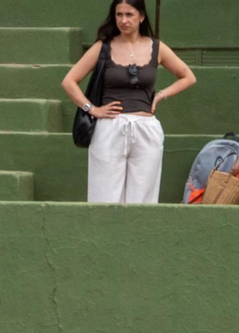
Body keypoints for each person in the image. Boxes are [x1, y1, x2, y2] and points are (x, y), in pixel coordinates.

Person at [61, 0, 196, 204]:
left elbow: (187, 76)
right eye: (119, 15)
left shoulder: (156, 47)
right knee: (104, 196)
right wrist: (92, 109)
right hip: (109, 127)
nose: (123, 20)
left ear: (141, 16)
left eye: (129, 14)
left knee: (143, 198)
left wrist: (160, 95)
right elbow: (69, 81)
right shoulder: (103, 47)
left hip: (146, 127)